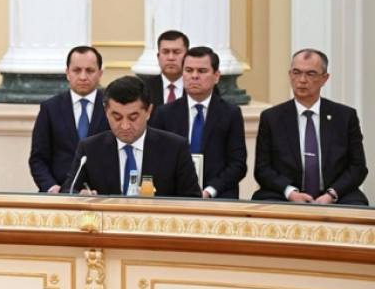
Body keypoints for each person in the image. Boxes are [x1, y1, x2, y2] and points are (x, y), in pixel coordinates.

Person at [253, 49, 368, 205]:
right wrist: (291, 193)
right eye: (296, 72)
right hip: (285, 193)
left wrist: (331, 194)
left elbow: (358, 167)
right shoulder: (272, 118)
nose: (302, 80)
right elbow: (262, 169)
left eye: (311, 74)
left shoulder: (345, 116)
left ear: (325, 78)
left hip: (335, 193)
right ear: (290, 75)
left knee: (358, 207)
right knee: (263, 205)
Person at [63, 75, 200, 197]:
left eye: (133, 118)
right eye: (117, 117)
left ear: (148, 111)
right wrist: (80, 196)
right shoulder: (90, 149)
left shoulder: (175, 148)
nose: (125, 126)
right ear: (106, 111)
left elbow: (193, 199)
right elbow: (68, 191)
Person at [152, 46, 247, 199]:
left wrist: (210, 191)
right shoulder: (164, 113)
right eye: (189, 70)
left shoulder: (231, 113)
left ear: (216, 76)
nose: (194, 76)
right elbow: (155, 159)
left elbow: (238, 164)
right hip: (174, 196)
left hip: (218, 195)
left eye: (202, 71)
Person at [28, 46, 109, 192]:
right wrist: (51, 187)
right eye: (77, 70)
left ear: (100, 73)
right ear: (67, 73)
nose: (83, 77)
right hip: (60, 194)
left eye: (90, 71)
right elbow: (38, 158)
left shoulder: (111, 107)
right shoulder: (50, 108)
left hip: (101, 195)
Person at [144, 30, 189, 107]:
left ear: (187, 57)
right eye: (166, 52)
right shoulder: (144, 88)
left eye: (176, 52)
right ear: (158, 57)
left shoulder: (198, 86)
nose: (171, 58)